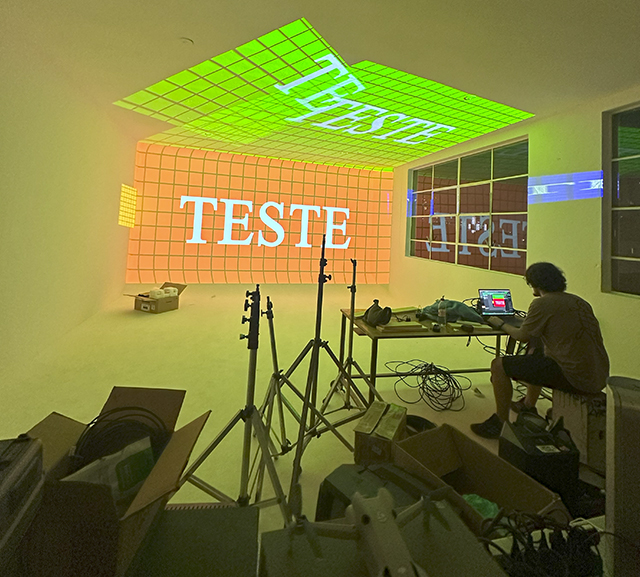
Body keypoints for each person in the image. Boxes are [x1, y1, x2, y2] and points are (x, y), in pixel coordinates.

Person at [470, 262, 609, 439]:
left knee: (498, 365)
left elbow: (522, 336)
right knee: (537, 351)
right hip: (598, 375)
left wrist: (501, 323)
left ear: (535, 284)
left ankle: (500, 422)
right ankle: (528, 405)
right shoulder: (579, 301)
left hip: (575, 377)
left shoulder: (542, 303)